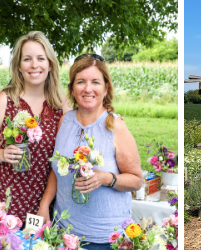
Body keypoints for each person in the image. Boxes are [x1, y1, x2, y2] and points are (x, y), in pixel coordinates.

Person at [47, 54, 142, 250]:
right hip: (63, 232)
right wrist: (44, 205)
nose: (88, 88)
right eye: (81, 82)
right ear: (72, 89)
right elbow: (56, 170)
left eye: (95, 82)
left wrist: (105, 178)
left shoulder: (116, 126)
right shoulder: (64, 121)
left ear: (106, 88)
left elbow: (136, 180)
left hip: (103, 239)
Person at [0, 31, 66, 222]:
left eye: (41, 58)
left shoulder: (61, 106)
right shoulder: (4, 101)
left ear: (50, 64)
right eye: (27, 59)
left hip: (40, 206)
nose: (34, 65)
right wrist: (2, 154)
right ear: (18, 66)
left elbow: (62, 158)